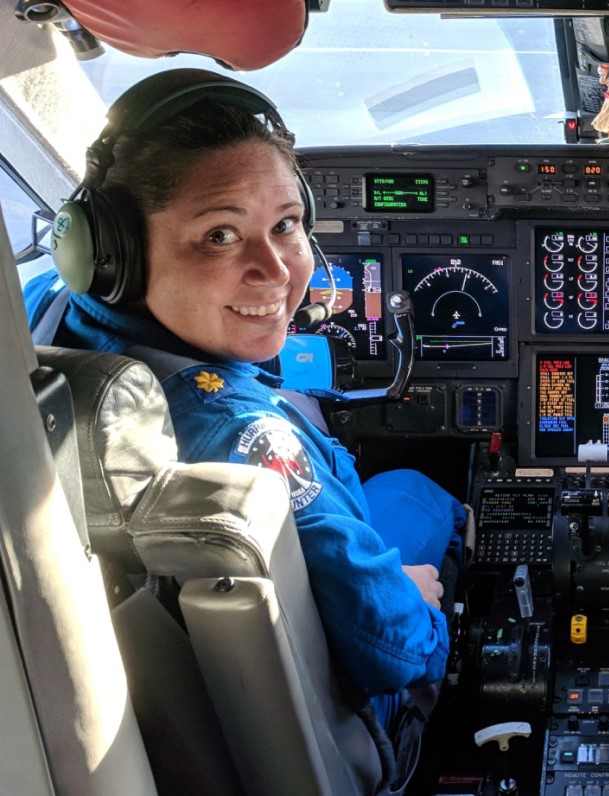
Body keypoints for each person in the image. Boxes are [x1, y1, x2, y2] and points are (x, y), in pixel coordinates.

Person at [22, 69, 466, 789]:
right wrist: (416, 600)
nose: (278, 271)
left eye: (286, 225)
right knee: (421, 493)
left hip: (195, 713)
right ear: (113, 254)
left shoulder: (41, 313)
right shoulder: (239, 435)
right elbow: (394, 650)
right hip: (339, 728)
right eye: (220, 234)